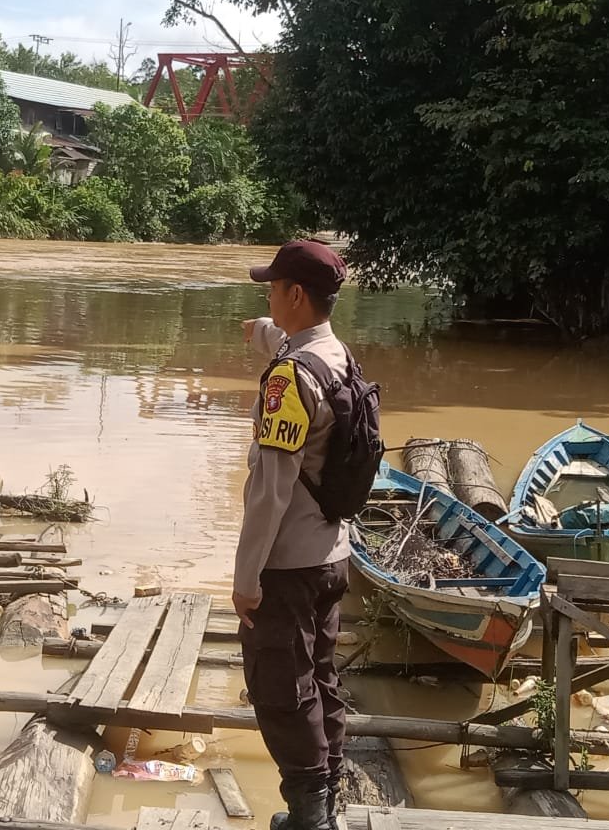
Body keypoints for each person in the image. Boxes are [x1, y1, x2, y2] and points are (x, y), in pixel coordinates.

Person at [235, 239, 352, 830]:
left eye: (273, 288)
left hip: (289, 564)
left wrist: (245, 579)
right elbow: (277, 337)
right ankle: (325, 798)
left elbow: (270, 489)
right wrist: (256, 328)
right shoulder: (335, 355)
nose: (269, 295)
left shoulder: (288, 381)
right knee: (322, 680)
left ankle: (309, 819)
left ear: (296, 294)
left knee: (282, 690)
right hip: (334, 555)